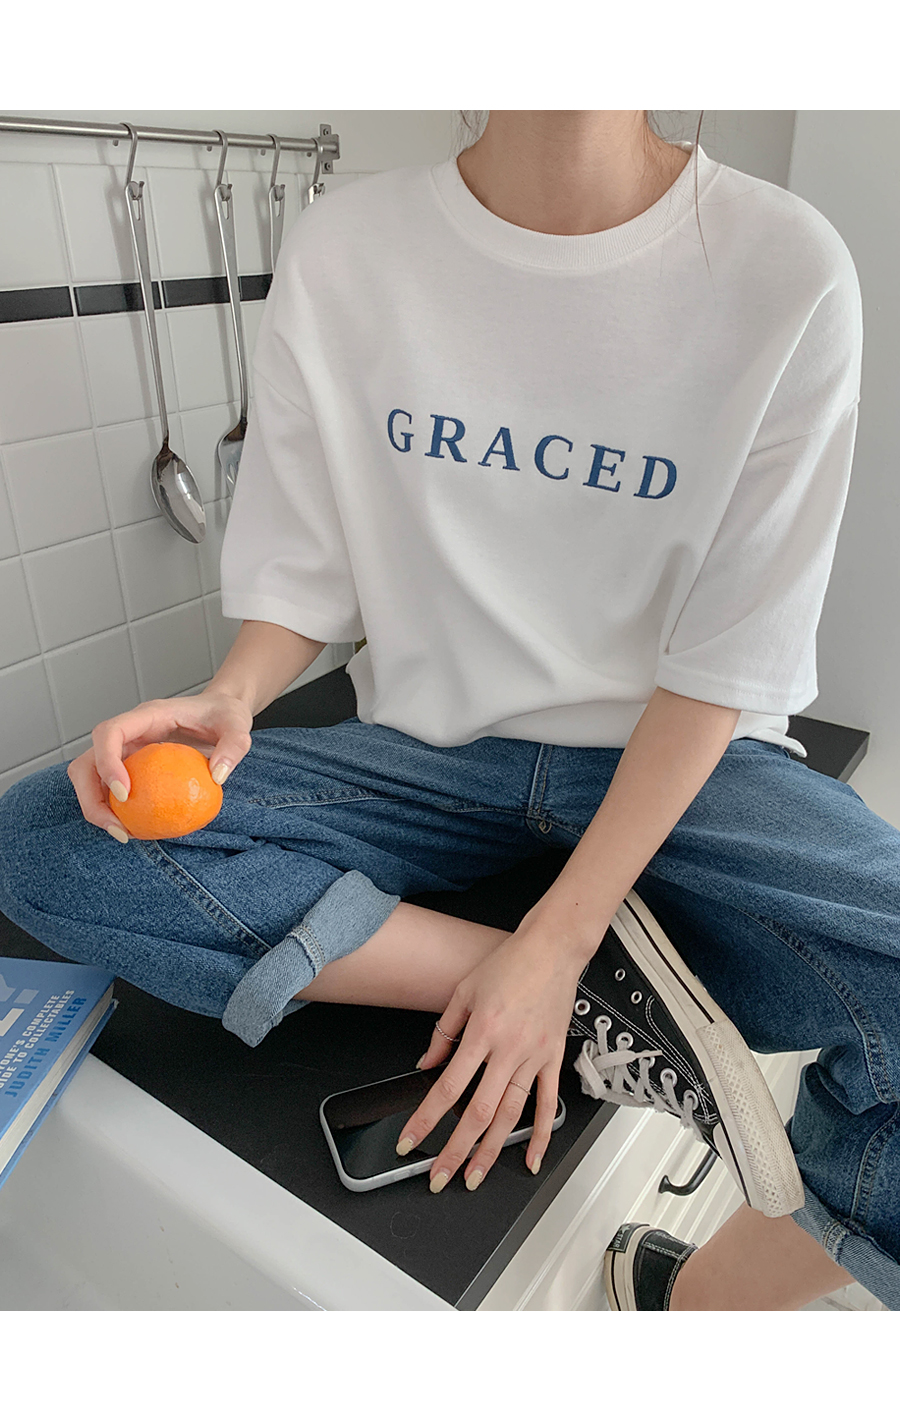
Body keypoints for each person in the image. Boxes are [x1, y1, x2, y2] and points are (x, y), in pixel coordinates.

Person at [0, 110, 896, 1312]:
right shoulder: (348, 246)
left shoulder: (785, 265)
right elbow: (308, 566)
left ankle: (685, 1306)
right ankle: (611, 1012)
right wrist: (229, 694)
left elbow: (727, 659)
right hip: (426, 758)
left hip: (684, 768)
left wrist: (560, 932)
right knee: (54, 834)